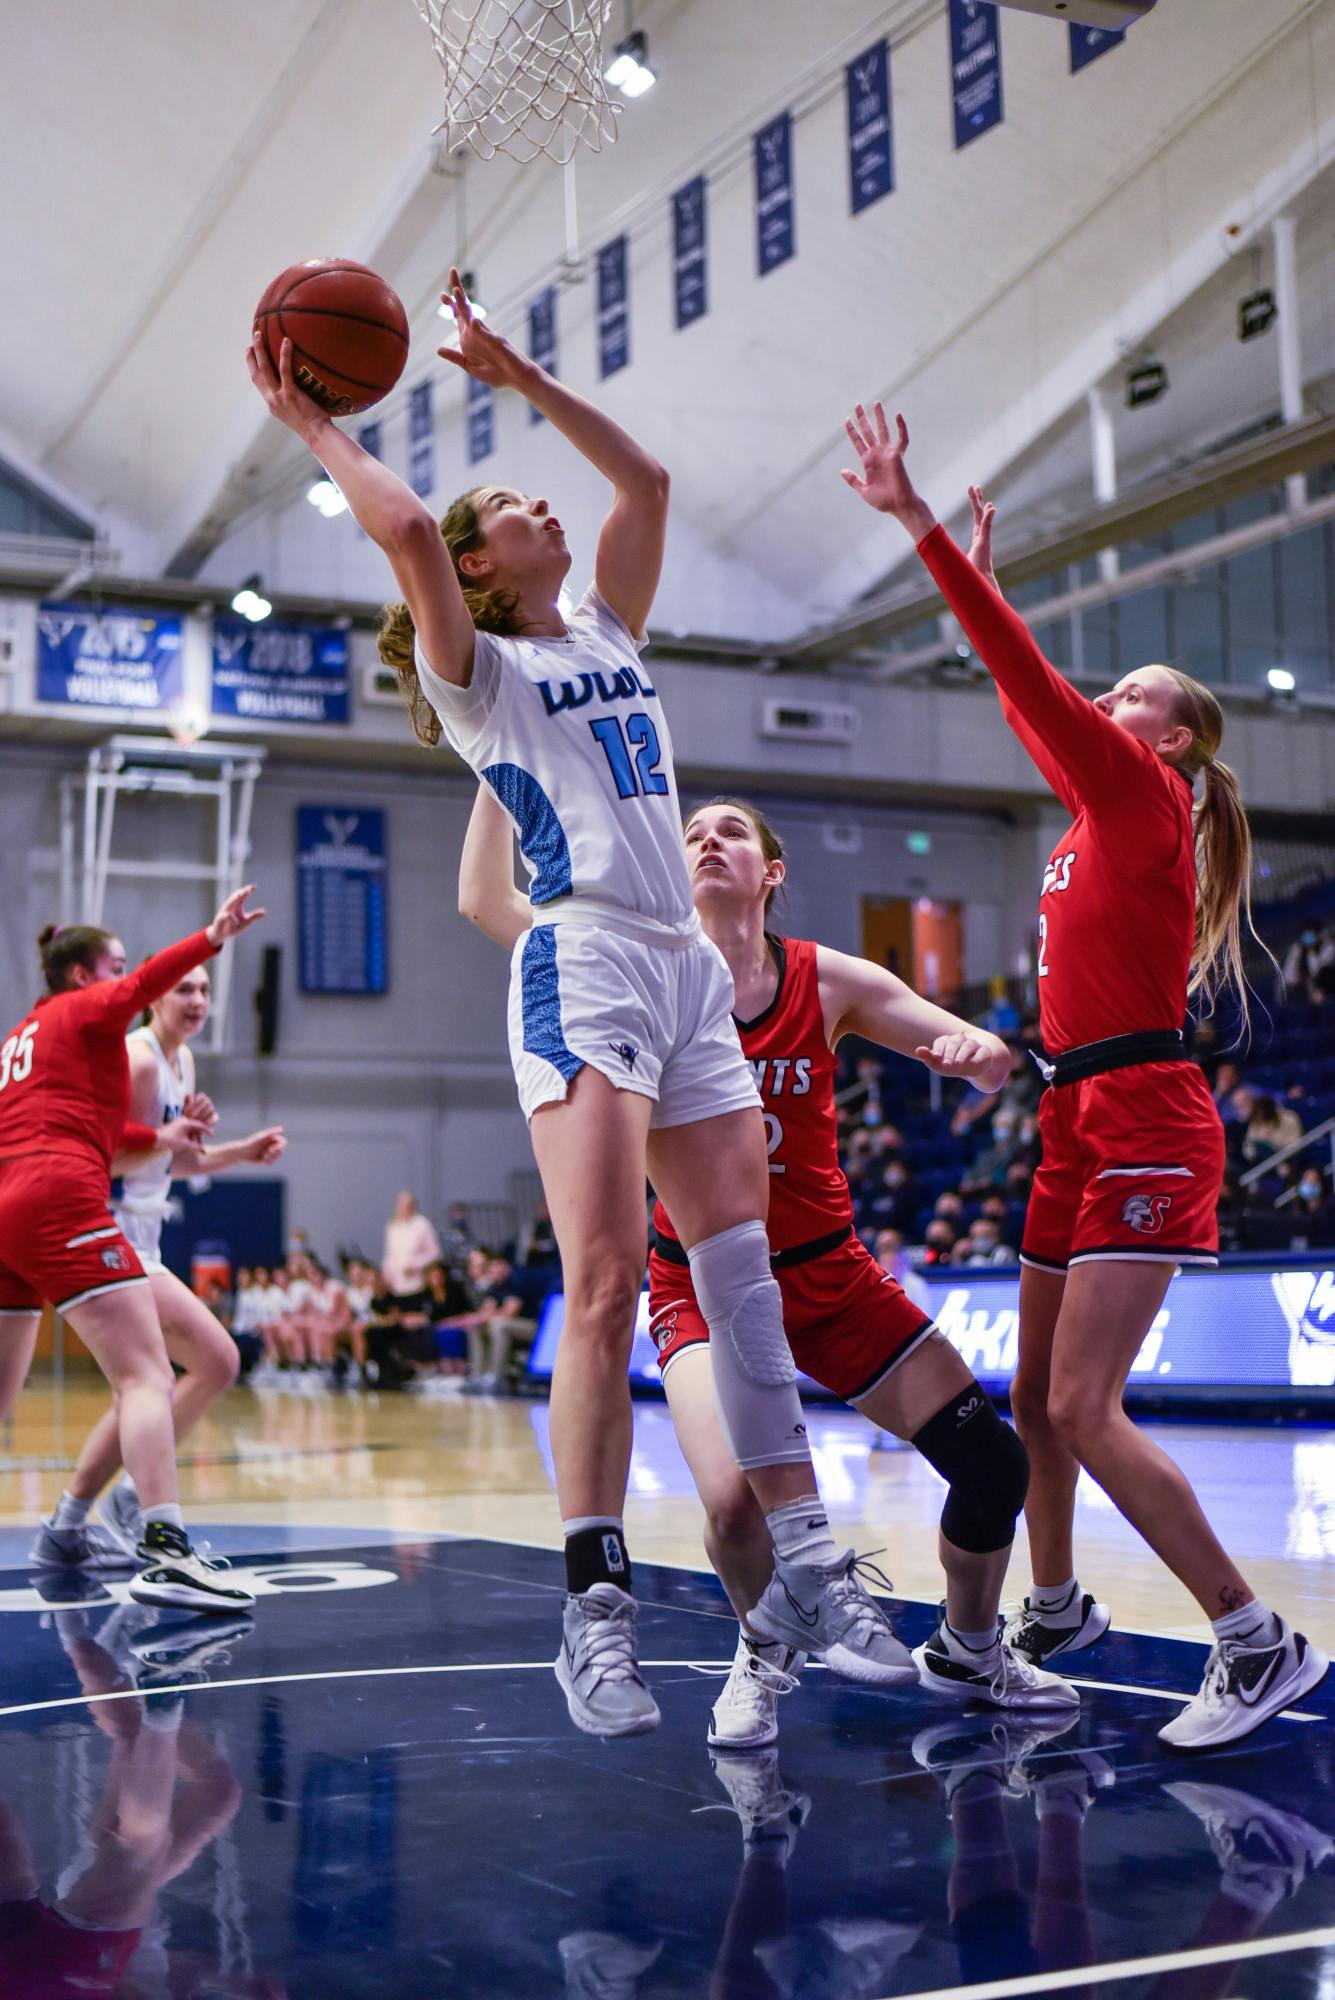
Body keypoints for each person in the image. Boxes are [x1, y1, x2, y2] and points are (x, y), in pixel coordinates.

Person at [249, 279, 911, 1736]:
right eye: (516, 508)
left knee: (743, 1277)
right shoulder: (479, 671)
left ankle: (810, 1564)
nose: (542, 508)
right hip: (582, 965)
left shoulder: (608, 630)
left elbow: (648, 478)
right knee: (607, 1282)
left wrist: (514, 369)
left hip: (680, 968)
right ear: (482, 565)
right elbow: (410, 530)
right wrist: (310, 420)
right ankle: (593, 1608)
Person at [840, 397, 1326, 1749]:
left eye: (1132, 700)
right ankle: (1044, 1615)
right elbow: (1020, 688)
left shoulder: (1146, 801)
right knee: (1029, 1411)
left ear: (1168, 743)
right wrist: (978, 587)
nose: (1107, 705)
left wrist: (919, 528)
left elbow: (1027, 684)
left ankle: (1253, 1638)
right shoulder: (1086, 820)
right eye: (1109, 698)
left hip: (1145, 1118)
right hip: (1071, 1113)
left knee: (1075, 1407)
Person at [462, 785, 1078, 1747]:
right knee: (733, 1501)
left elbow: (975, 1049)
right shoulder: (634, 972)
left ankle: (969, 1649)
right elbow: (493, 905)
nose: (707, 841)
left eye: (731, 832)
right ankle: (760, 1658)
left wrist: (977, 1052)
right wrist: (503, 763)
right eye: (691, 833)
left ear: (771, 871)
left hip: (826, 1274)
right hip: (696, 1281)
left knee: (995, 1464)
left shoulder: (822, 978)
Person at [0, 894, 265, 1614]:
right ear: (85, 975)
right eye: (115, 968)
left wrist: (182, 1144)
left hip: (10, 1204)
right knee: (146, 1375)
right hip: (64, 1201)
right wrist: (210, 937)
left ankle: (68, 1525)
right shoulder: (88, 1015)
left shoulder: (25, 1033)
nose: (131, 980)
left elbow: (103, 1134)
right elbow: (137, 989)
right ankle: (165, 1548)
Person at [33, 960, 285, 1565]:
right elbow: (104, 1160)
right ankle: (134, 1503)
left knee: (168, 1381)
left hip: (142, 1246)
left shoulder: (182, 1062)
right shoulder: (140, 1060)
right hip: (108, 1238)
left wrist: (237, 1153)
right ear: (154, 999)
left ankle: (68, 1524)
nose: (198, 999)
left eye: (204, 989)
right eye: (185, 989)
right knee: (202, 1364)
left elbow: (168, 1163)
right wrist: (175, 1140)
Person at [382, 1192, 442, 1301]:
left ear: (413, 1206)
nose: (403, 1208)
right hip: (397, 1285)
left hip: (417, 1284)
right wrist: (387, 1272)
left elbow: (435, 1253)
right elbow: (390, 1254)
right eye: (400, 1204)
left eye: (407, 1205)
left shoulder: (423, 1225)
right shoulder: (393, 1226)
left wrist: (415, 1265)